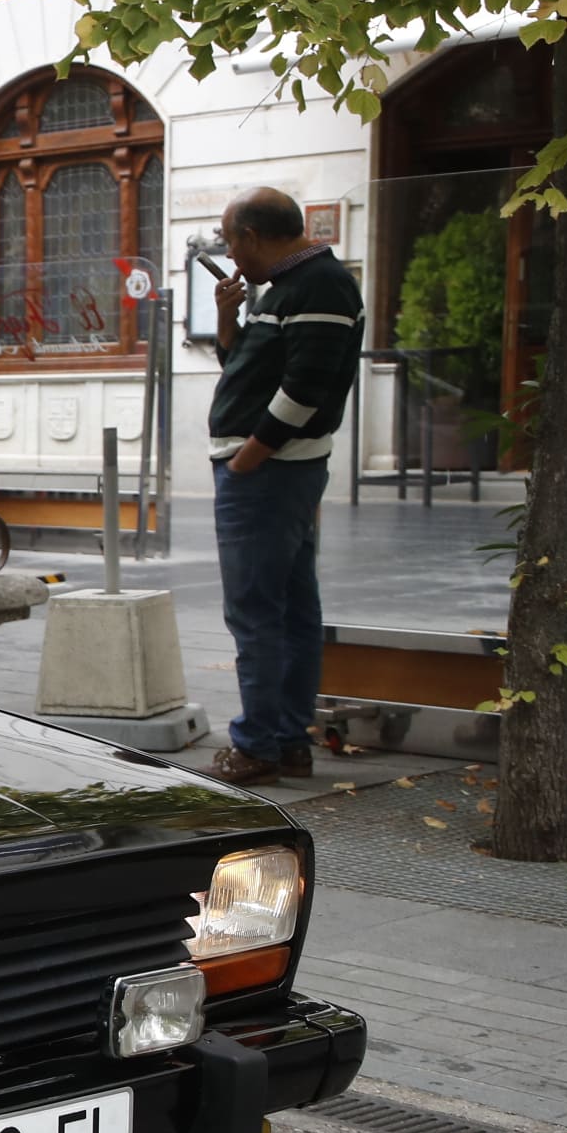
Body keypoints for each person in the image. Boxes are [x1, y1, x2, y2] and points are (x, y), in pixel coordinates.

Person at [202, 187, 363, 788]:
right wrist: (229, 318)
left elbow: (306, 386)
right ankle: (288, 740)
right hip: (279, 467)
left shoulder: (319, 286)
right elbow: (248, 368)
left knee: (256, 610)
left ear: (250, 236)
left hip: (270, 471)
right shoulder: (288, 288)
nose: (230, 255)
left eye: (230, 241)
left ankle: (258, 746)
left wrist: (250, 456)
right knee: (291, 605)